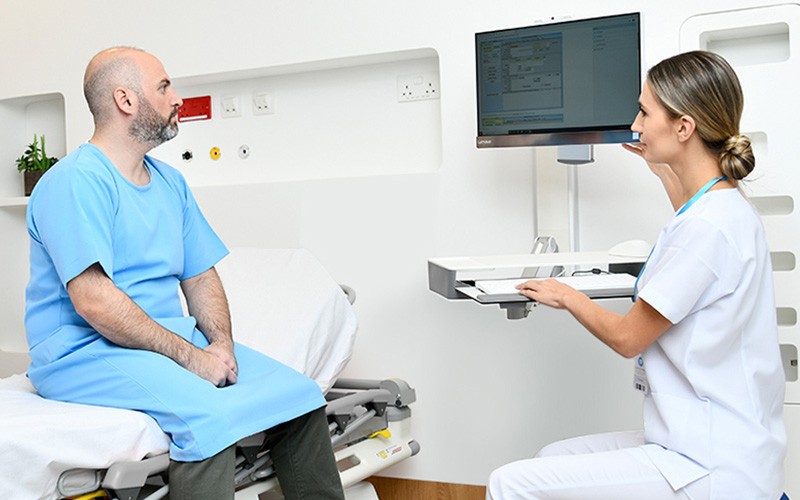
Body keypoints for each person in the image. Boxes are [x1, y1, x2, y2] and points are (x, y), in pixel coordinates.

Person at [24, 46, 345, 500]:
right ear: (125, 100)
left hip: (161, 343)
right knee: (207, 416)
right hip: (81, 351)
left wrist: (220, 346)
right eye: (164, 86)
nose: (177, 97)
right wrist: (192, 359)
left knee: (300, 397)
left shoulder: (169, 182)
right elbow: (94, 300)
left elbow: (200, 275)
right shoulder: (75, 181)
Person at [486, 51, 786, 499]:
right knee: (552, 458)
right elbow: (688, 214)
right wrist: (660, 163)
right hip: (702, 437)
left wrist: (569, 296)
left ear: (684, 128)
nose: (636, 124)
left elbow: (629, 338)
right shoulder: (718, 206)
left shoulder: (707, 227)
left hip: (712, 463)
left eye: (645, 111)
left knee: (509, 483)